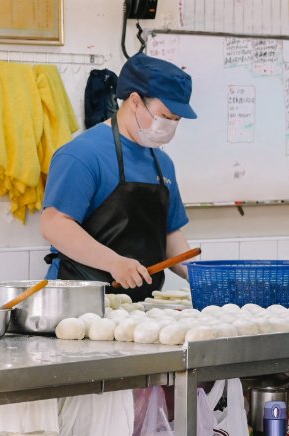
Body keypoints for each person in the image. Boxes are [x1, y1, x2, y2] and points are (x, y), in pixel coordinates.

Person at [40, 52, 197, 302]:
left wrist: (196, 272)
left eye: (176, 120)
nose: (169, 126)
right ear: (135, 100)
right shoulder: (82, 154)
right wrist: (113, 262)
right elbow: (54, 224)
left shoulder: (162, 163)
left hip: (143, 308)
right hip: (79, 303)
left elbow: (169, 232)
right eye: (165, 117)